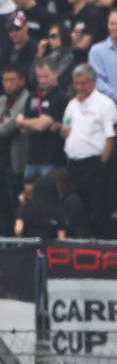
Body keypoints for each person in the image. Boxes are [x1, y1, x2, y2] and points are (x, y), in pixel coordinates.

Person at [61, 63, 116, 239]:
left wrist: (102, 164)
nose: (79, 88)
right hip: (73, 164)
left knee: (98, 208)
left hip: (94, 164)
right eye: (76, 83)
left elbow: (111, 137)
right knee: (76, 208)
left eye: (83, 83)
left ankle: (103, 247)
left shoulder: (105, 104)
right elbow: (67, 128)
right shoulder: (71, 105)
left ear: (93, 82)